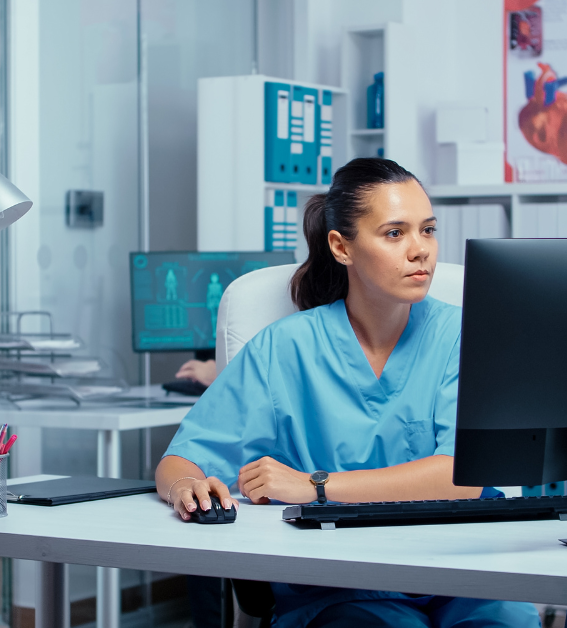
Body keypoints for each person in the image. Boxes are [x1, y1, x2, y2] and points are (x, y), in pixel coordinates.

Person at [155, 158, 540, 628]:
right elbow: (182, 460)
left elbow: (460, 476)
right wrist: (186, 488)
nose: (421, 251)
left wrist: (314, 486)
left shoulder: (465, 337)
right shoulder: (285, 350)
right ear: (341, 246)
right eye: (395, 233)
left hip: (466, 573)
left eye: (428, 230)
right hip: (343, 587)